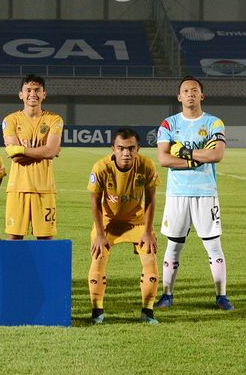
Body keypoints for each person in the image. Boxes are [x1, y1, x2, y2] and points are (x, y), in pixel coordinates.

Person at [154, 76, 234, 311]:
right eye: (186, 90)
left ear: (202, 95)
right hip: (177, 194)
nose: (190, 93)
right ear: (179, 96)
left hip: (205, 193)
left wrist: (185, 151)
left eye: (194, 90)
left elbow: (216, 155)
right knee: (174, 245)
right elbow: (164, 159)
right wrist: (195, 159)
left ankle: (221, 296)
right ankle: (167, 294)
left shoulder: (214, 123)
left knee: (213, 245)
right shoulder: (168, 124)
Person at [87, 128, 161, 325]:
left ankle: (148, 311)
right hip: (108, 223)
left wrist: (147, 232)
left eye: (131, 148)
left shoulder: (146, 165)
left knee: (150, 257)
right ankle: (97, 311)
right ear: (113, 149)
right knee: (98, 255)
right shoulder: (101, 167)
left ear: (138, 149)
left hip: (137, 222)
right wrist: (100, 235)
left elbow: (151, 199)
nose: (126, 153)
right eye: (121, 148)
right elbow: (94, 202)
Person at [2, 74, 63, 240]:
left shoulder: (54, 119)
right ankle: (13, 268)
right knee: (13, 238)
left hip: (45, 189)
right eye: (28, 90)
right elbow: (16, 158)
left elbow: (48, 151)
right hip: (17, 188)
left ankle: (44, 268)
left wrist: (21, 150)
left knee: (45, 241)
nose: (32, 94)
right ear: (20, 94)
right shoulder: (10, 120)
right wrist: (46, 151)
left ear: (44, 94)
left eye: (37, 90)